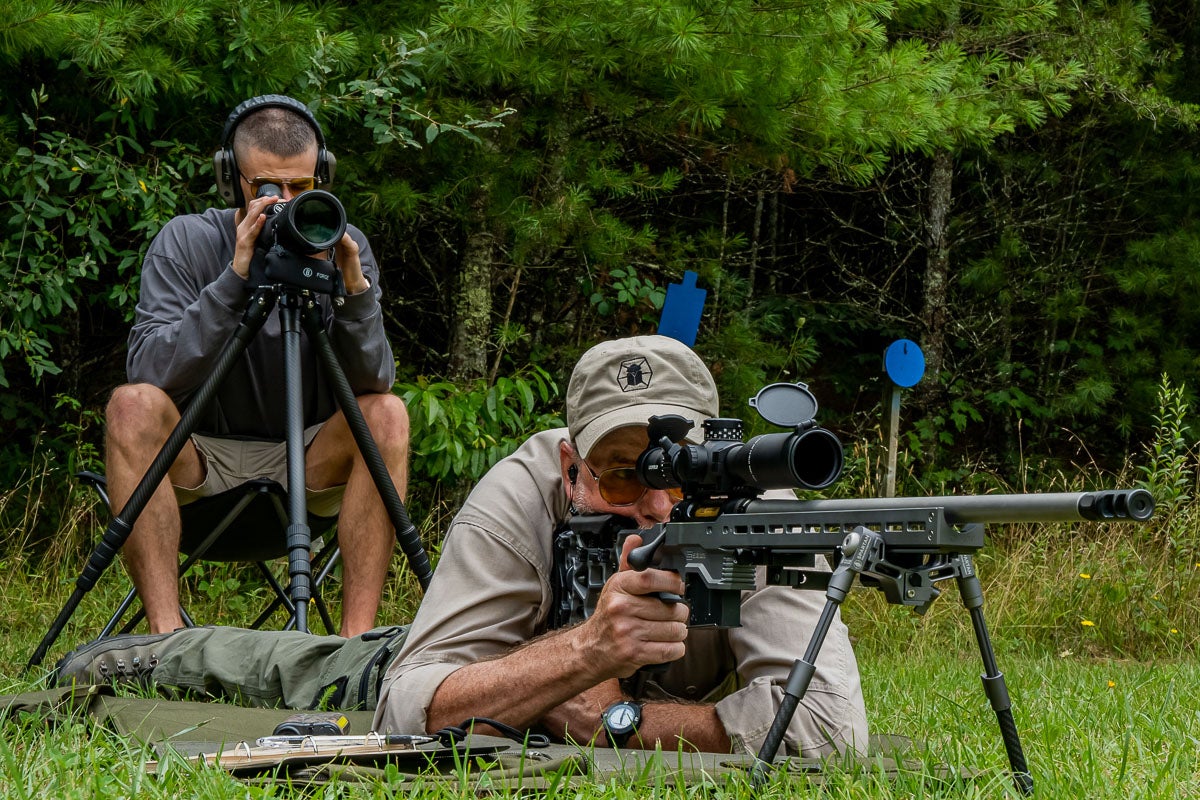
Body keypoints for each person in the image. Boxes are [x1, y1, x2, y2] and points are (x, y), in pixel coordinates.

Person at [57, 336, 866, 758]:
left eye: (678, 479)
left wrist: (612, 719)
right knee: (283, 666)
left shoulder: (762, 512)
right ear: (569, 465)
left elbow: (831, 731)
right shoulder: (521, 493)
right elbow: (409, 701)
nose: (654, 507)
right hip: (446, 660)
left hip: (523, 691)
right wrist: (580, 652)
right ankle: (139, 655)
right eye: (621, 478)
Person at [104, 94, 409, 637]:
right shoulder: (189, 241)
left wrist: (354, 290)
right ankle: (167, 642)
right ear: (231, 179)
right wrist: (234, 279)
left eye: (302, 188)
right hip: (198, 463)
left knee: (387, 414)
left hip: (309, 463)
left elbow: (373, 383)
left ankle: (352, 645)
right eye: (268, 189)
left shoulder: (343, 245)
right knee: (131, 406)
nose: (286, 204)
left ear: (323, 177)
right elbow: (149, 371)